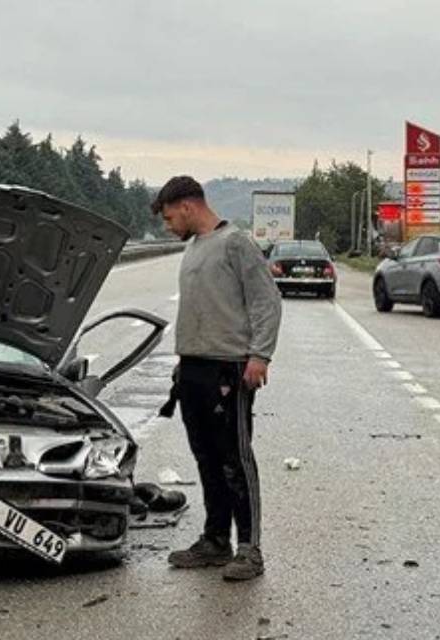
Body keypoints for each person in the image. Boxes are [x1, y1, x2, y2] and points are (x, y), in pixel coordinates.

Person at [152, 176, 282, 581]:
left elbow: (267, 301)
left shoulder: (236, 243)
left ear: (188, 207)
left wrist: (259, 356)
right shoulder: (193, 249)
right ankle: (214, 540)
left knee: (235, 460)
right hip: (193, 369)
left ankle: (249, 548)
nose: (168, 226)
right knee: (206, 458)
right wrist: (183, 362)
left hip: (229, 369)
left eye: (170, 217)